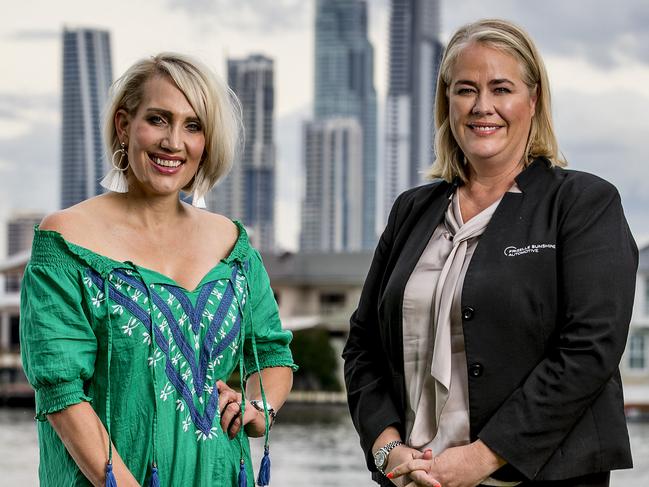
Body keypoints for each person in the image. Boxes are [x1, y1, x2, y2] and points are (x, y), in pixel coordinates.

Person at [343, 18, 637, 487]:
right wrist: (386, 447)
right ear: (447, 102)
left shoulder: (584, 203)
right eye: (465, 90)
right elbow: (363, 347)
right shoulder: (411, 211)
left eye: (501, 88)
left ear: (533, 99)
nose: (483, 107)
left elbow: (589, 349)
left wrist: (484, 456)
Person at [20, 53, 296, 486]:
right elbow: (61, 393)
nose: (174, 142)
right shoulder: (67, 240)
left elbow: (274, 355)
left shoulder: (233, 245)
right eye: (158, 119)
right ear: (124, 125)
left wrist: (259, 409)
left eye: (193, 126)